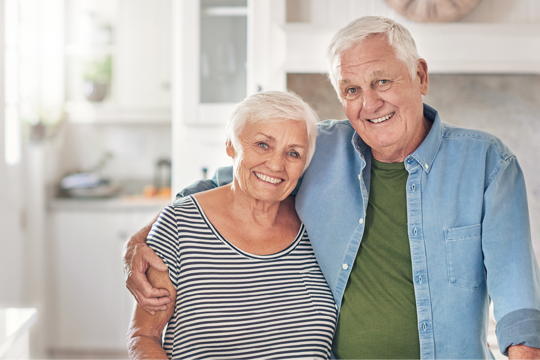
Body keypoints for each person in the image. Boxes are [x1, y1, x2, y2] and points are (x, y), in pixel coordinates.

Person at [124, 16, 540, 359]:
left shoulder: (488, 163)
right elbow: (231, 181)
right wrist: (142, 241)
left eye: (382, 82)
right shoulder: (317, 150)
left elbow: (517, 306)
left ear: (420, 75)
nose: (369, 104)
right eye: (352, 90)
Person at [126, 91, 338, 360]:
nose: (275, 164)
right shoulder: (180, 225)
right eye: (262, 144)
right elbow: (143, 336)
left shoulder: (317, 227)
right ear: (230, 145)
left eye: (293, 153)